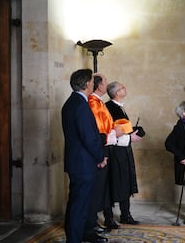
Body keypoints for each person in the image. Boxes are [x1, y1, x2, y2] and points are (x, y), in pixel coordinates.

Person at [61, 69, 108, 243]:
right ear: (87, 83)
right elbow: (88, 137)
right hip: (83, 164)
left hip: (78, 163)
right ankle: (73, 239)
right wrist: (100, 157)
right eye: (91, 81)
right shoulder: (80, 105)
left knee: (76, 204)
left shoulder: (72, 102)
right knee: (78, 206)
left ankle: (75, 237)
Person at [87, 74, 124, 233]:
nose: (107, 84)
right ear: (99, 86)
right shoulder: (93, 102)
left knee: (105, 186)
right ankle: (92, 222)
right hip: (101, 147)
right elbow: (98, 129)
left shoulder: (99, 101)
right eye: (105, 82)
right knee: (97, 188)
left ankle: (102, 219)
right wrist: (114, 133)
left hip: (107, 145)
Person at [104, 81, 143, 225]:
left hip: (123, 150)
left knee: (125, 182)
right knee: (113, 182)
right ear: (116, 93)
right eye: (122, 88)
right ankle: (109, 218)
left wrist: (132, 131)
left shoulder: (118, 107)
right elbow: (111, 131)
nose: (125, 88)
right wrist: (130, 137)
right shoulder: (109, 107)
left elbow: (122, 128)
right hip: (115, 152)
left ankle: (125, 215)